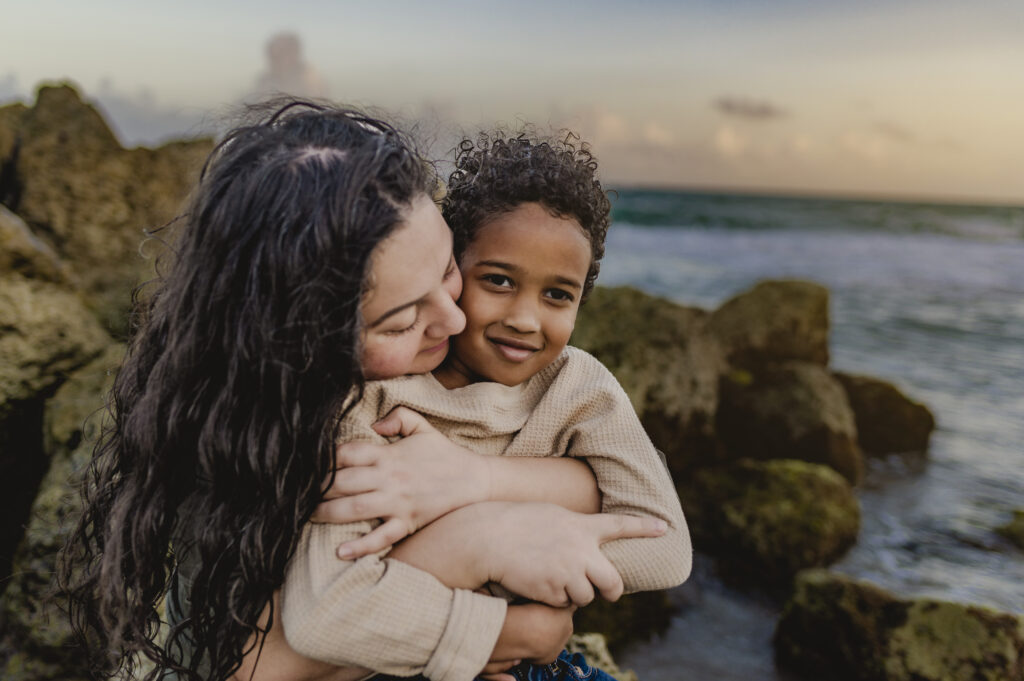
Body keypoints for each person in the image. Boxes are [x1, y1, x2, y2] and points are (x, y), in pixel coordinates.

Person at [58, 102, 660, 681]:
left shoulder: (468, 381)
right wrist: (485, 578)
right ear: (302, 343)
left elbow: (637, 510)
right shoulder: (285, 438)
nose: (453, 322)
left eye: (447, 269)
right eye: (399, 322)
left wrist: (484, 486)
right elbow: (257, 667)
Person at [277, 132, 692, 681]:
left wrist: (519, 544)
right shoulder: (375, 401)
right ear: (450, 269)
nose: (525, 318)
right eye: (498, 281)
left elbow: (665, 549)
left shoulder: (580, 389)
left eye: (557, 295)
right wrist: (490, 608)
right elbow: (324, 615)